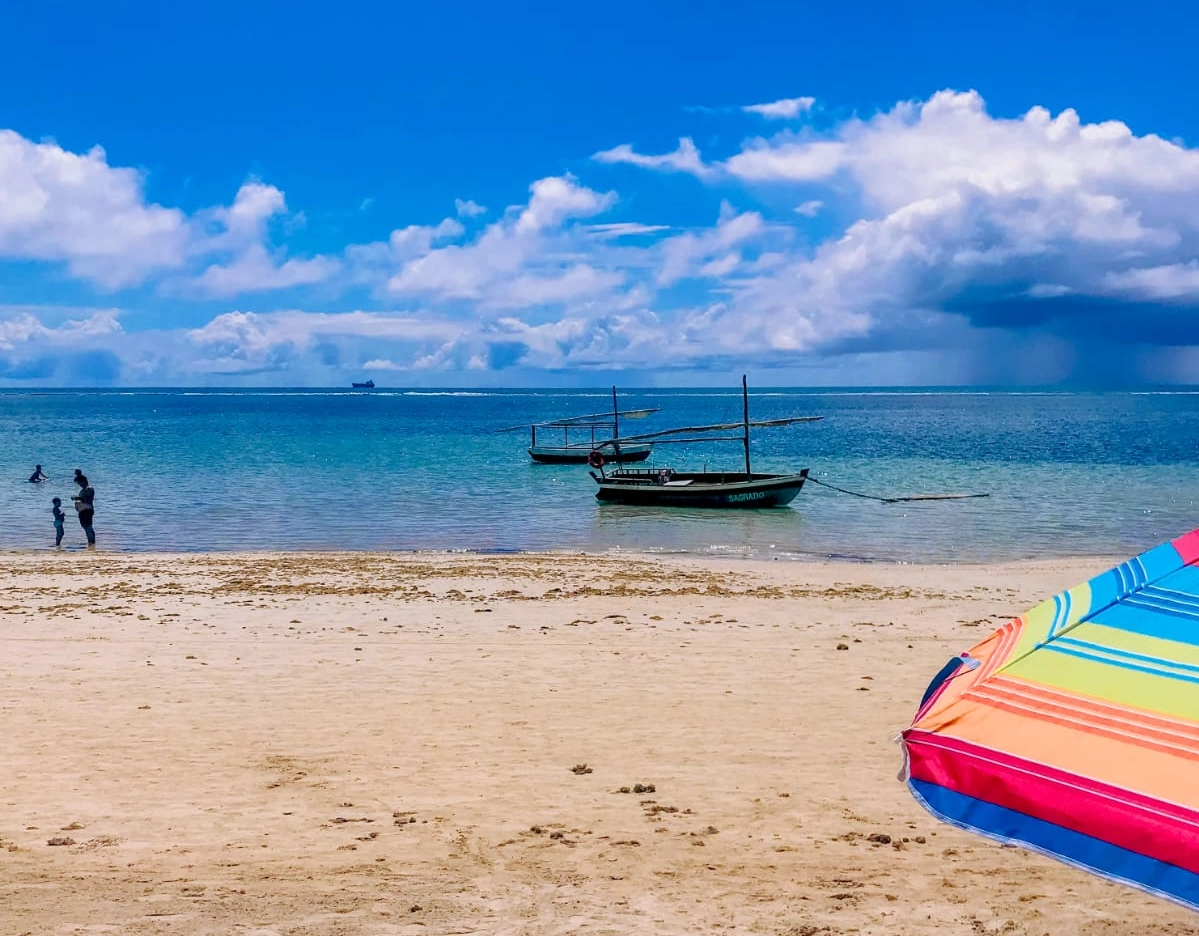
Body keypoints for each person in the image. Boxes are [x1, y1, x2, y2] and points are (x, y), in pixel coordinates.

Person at [72, 473, 96, 547]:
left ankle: (91, 543)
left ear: (84, 481)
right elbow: (84, 499)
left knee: (87, 527)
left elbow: (87, 499)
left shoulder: (88, 489)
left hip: (86, 510)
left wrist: (78, 499)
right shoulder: (86, 489)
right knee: (88, 527)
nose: (79, 484)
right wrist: (77, 498)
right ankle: (91, 543)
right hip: (85, 510)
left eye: (79, 482)